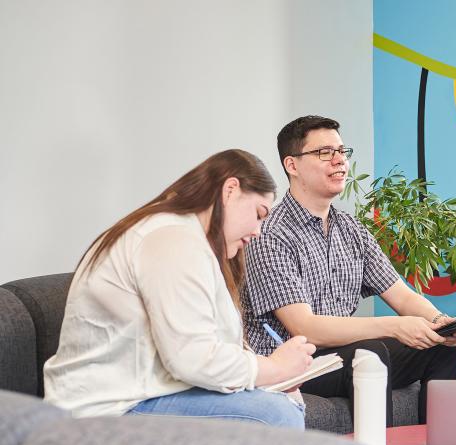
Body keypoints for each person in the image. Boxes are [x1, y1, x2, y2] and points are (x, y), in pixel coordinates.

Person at [43, 149, 315, 428]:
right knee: (276, 416)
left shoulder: (182, 236)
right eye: (259, 214)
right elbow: (192, 359)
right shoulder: (173, 239)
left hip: (139, 393)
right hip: (109, 408)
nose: (259, 231)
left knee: (281, 405)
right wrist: (275, 368)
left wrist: (270, 375)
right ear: (230, 190)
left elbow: (201, 349)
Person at [242, 115, 456, 426]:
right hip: (295, 363)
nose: (339, 161)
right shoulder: (271, 234)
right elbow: (306, 328)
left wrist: (439, 322)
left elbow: (400, 295)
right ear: (292, 165)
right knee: (370, 352)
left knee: (440, 348)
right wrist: (394, 327)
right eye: (324, 153)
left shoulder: (351, 229)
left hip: (344, 354)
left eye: (342, 152)